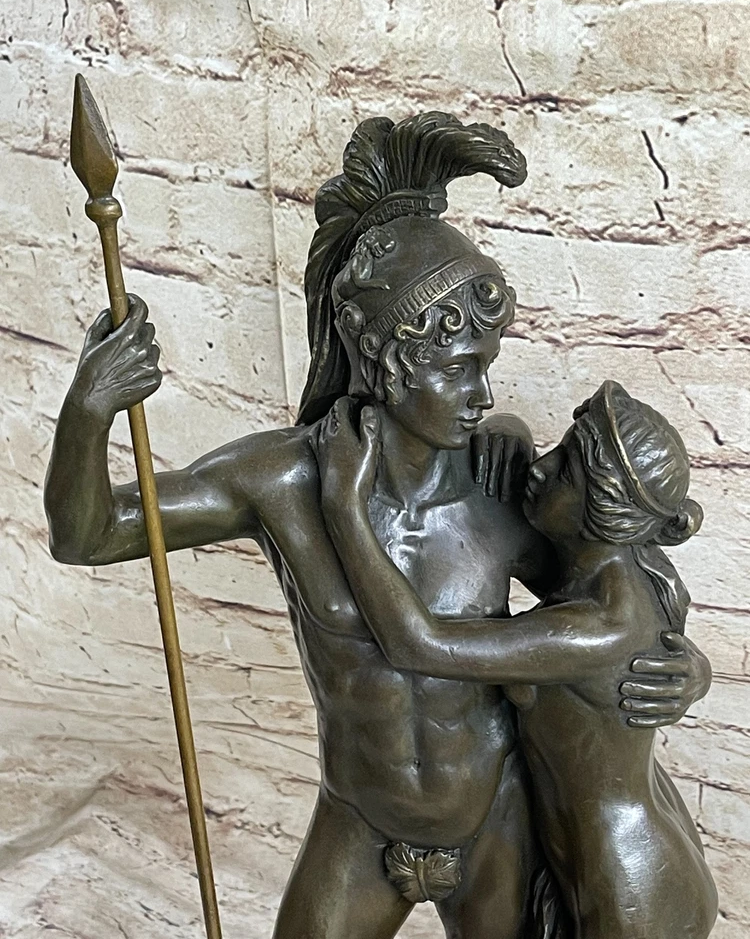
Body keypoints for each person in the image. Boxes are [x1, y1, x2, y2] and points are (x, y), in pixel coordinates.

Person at [44, 113, 710, 939]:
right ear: (383, 358)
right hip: (361, 820)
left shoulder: (501, 476)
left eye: (486, 367)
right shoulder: (281, 481)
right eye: (459, 369)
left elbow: (608, 596)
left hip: (494, 821)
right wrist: (89, 411)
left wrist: (684, 666)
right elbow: (90, 535)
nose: (483, 396)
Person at [312, 382, 718, 939]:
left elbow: (418, 645)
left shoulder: (600, 626)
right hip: (621, 841)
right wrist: (511, 432)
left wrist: (344, 508)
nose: (541, 468)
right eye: (559, 449)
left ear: (604, 512)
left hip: (625, 881)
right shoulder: (621, 572)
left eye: (566, 471)